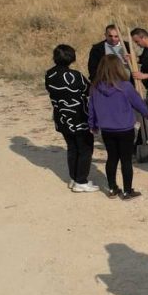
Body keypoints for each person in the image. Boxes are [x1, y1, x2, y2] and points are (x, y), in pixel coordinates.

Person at [88, 54, 148, 199]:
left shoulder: (96, 87)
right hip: (125, 129)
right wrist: (146, 113)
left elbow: (91, 107)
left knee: (112, 158)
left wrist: (93, 124)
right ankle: (127, 191)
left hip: (107, 130)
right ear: (119, 68)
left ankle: (112, 189)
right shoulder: (125, 86)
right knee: (126, 160)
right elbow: (138, 103)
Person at [44, 44, 97, 193]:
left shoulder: (49, 74)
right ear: (72, 58)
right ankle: (81, 181)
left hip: (61, 117)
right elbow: (89, 91)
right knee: (85, 148)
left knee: (72, 147)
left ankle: (74, 178)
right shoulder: (75, 76)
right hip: (78, 117)